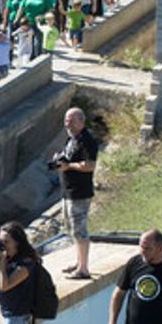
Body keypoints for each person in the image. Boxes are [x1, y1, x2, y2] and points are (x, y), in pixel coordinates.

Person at [55, 107, 98, 280]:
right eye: (66, 120)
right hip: (68, 191)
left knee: (80, 230)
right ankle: (78, 262)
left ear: (81, 121)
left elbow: (90, 165)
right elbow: (70, 158)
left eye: (72, 121)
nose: (68, 124)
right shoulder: (72, 139)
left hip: (80, 192)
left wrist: (68, 166)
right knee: (73, 229)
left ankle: (84, 269)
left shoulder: (87, 140)